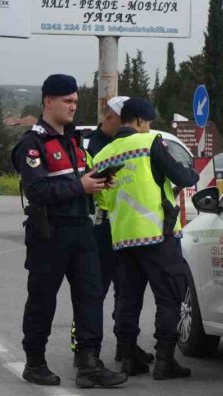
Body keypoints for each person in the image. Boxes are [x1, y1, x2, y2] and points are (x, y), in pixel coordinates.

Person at [11, 74, 127, 389]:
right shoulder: (32, 143)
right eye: (67, 101)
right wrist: (81, 186)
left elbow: (78, 179)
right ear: (48, 101)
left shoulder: (74, 139)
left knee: (91, 297)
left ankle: (89, 364)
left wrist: (97, 181)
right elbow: (37, 190)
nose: (73, 106)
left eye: (75, 101)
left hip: (81, 230)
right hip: (49, 232)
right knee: (42, 300)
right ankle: (35, 363)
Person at [91, 98, 200, 380]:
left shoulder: (103, 154)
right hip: (157, 234)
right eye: (148, 122)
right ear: (139, 121)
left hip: (122, 237)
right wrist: (193, 172)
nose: (149, 127)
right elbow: (182, 175)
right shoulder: (149, 142)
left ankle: (128, 358)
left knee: (127, 299)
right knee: (170, 296)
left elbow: (101, 198)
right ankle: (165, 361)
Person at [70, 96, 155, 371]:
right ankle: (83, 349)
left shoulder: (132, 143)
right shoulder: (89, 146)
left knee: (127, 290)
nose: (130, 125)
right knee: (93, 290)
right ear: (109, 118)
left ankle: (125, 346)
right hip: (101, 226)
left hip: (126, 224)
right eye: (124, 119)